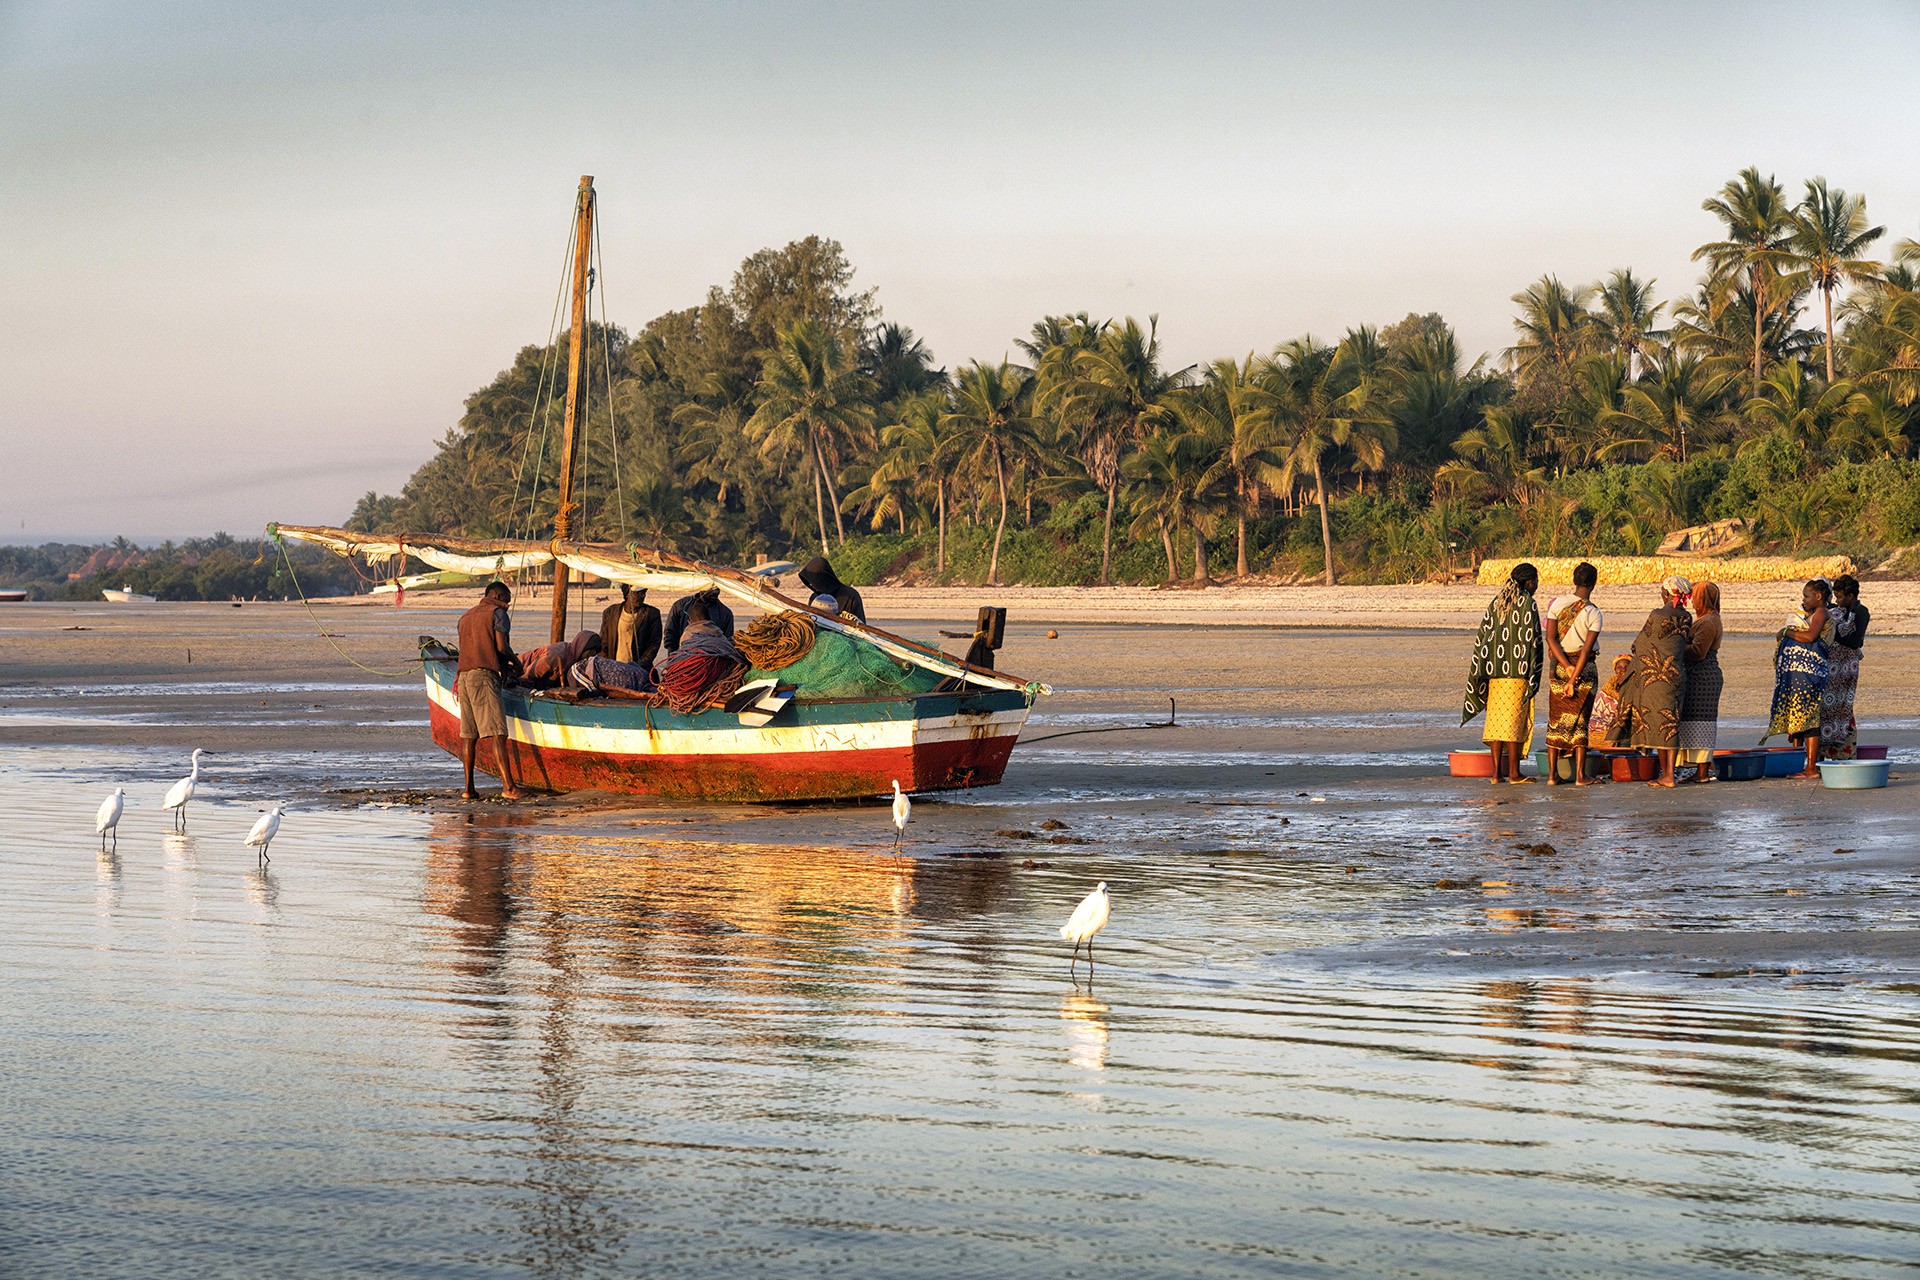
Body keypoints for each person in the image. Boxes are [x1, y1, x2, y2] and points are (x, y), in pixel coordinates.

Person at [1462, 563, 1543, 785]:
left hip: (1495, 674)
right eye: (1535, 581)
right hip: (1517, 674)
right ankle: (1515, 773)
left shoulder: (1497, 603)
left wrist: (1484, 672)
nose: (1536, 586)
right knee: (1514, 725)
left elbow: (1483, 638)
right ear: (1528, 582)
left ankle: (1497, 774)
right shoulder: (1528, 604)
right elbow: (1532, 641)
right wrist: (1533, 673)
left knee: (1497, 724)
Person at [1607, 575, 1692, 788]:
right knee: (1669, 723)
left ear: (1666, 593)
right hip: (1676, 676)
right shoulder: (1687, 617)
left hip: (1654, 679)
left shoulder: (1657, 614)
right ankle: (1667, 774)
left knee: (1659, 724)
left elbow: (1641, 644)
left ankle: (1668, 775)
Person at [455, 581, 525, 801]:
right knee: (498, 732)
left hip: (464, 678)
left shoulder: (466, 616)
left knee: (469, 736)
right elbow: (501, 647)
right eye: (506, 600)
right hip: (484, 676)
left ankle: (468, 789)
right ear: (496, 595)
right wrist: (516, 662)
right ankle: (509, 787)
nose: (507, 606)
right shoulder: (496, 613)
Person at [1764, 578, 1833, 779]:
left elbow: (1810, 636)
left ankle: (1810, 768)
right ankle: (1800, 763)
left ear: (1818, 597)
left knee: (1809, 718)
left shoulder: (1821, 613)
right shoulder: (1812, 614)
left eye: (1806, 596)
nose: (1803, 599)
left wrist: (1787, 632)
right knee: (1798, 717)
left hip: (1810, 674)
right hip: (1801, 674)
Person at [1542, 561, 1603, 786]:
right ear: (1593, 583)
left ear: (1574, 580)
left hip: (1559, 665)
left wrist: (1566, 668)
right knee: (1581, 720)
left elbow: (1550, 638)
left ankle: (1551, 776)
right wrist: (1575, 674)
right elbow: (1586, 650)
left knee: (1555, 719)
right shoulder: (1593, 612)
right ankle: (1580, 775)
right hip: (1584, 669)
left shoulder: (1557, 603)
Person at [1676, 581, 1724, 782]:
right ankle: (1697, 769)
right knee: (1692, 721)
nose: (1692, 601)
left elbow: (1698, 652)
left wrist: (1676, 646)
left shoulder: (1708, 622)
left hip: (1703, 677)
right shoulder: (1707, 619)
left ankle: (1702, 772)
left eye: (1695, 597)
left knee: (1701, 722)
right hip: (1698, 676)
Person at [1821, 574, 1868, 761]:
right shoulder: (1836, 611)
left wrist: (1833, 634)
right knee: (1827, 707)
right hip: (1832, 668)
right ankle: (1822, 753)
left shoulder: (1862, 612)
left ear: (1850, 596)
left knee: (1844, 707)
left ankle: (1843, 752)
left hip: (1847, 669)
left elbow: (1856, 641)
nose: (1837, 601)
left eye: (1840, 597)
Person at [599, 585, 663, 668]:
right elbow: (603, 642)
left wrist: (639, 666)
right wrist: (608, 665)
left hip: (639, 669)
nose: (641, 596)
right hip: (614, 667)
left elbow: (654, 644)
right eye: (637, 593)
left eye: (643, 593)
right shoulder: (610, 612)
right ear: (627, 594)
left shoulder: (651, 614)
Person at [663, 586, 735, 656]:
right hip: (685, 658)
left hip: (714, 660)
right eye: (711, 589)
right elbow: (670, 636)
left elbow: (728, 643)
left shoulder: (725, 613)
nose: (714, 592)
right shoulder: (680, 606)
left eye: (717, 589)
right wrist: (672, 661)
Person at [519, 630, 601, 687]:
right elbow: (529, 675)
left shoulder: (576, 660)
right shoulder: (556, 655)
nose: (591, 656)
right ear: (582, 648)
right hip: (518, 670)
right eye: (590, 652)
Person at [798, 556, 866, 622]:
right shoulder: (815, 598)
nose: (811, 584)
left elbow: (860, 624)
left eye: (814, 580)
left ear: (822, 578)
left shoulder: (851, 596)